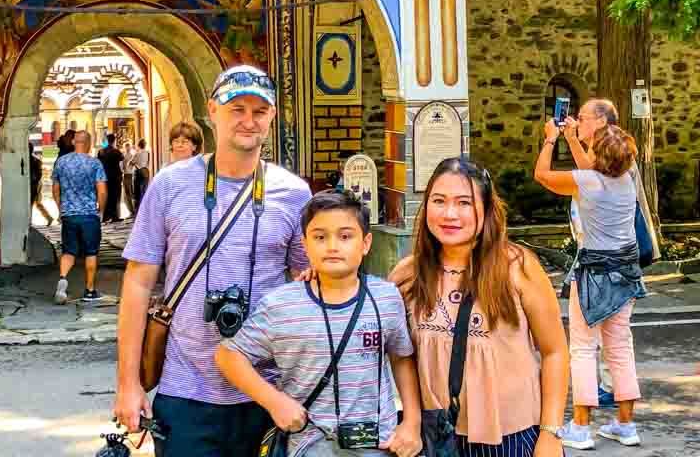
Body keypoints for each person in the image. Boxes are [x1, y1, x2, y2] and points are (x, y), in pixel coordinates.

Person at [114, 64, 312, 457]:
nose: (248, 120)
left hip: (269, 390)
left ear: (272, 116)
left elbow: (309, 286)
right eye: (237, 109)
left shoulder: (294, 194)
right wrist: (128, 384)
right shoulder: (169, 185)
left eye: (259, 111)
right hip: (185, 389)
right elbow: (137, 284)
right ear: (212, 111)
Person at [215, 190, 423, 457]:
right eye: (320, 237)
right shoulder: (281, 305)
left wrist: (412, 422)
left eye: (345, 236)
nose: (333, 246)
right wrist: (274, 402)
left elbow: (401, 358)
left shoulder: (385, 298)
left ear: (366, 243)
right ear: (304, 244)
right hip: (309, 445)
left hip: (378, 444)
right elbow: (228, 355)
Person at [391, 157, 569, 457]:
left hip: (514, 439)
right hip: (440, 440)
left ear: (486, 210)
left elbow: (555, 352)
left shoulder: (517, 267)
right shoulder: (408, 274)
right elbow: (399, 352)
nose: (450, 214)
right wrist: (319, 280)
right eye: (439, 201)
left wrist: (550, 434)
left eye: (464, 202)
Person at [535, 115, 646, 449]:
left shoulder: (586, 182)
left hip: (594, 275)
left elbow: (542, 175)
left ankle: (581, 427)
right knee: (620, 347)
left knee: (583, 348)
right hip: (626, 273)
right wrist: (573, 138)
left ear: (599, 156)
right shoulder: (626, 179)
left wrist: (551, 139)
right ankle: (626, 425)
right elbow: (594, 167)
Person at [51, 129, 107, 304]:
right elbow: (102, 190)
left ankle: (62, 278)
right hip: (89, 214)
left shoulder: (61, 162)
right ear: (89, 144)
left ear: (74, 142)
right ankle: (89, 291)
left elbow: (55, 189)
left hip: (69, 214)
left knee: (69, 251)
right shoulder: (95, 164)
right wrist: (101, 210)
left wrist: (61, 208)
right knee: (91, 252)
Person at [98, 132, 126, 222]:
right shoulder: (115, 151)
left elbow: (98, 160)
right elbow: (122, 158)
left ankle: (105, 216)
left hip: (105, 176)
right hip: (115, 177)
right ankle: (115, 216)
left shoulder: (101, 151)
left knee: (106, 196)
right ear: (114, 140)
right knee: (115, 196)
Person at [29, 142, 53, 226]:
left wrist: (34, 187)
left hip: (34, 184)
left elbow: (37, 175)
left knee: (33, 203)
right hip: (35, 184)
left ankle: (29, 221)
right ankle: (48, 218)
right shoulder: (36, 160)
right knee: (36, 203)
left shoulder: (33, 161)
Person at [130, 138, 151, 208]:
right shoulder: (147, 153)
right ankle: (146, 206)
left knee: (137, 191)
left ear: (139, 145)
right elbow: (148, 162)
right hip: (145, 171)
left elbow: (131, 162)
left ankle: (138, 207)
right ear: (145, 145)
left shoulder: (137, 154)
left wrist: (134, 164)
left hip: (138, 172)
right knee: (145, 190)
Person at [122, 140, 137, 215]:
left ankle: (132, 209)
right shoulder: (128, 155)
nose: (127, 148)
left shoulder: (128, 155)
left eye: (128, 147)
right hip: (127, 174)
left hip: (129, 174)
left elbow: (123, 166)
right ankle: (131, 209)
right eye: (126, 147)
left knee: (129, 192)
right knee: (129, 192)